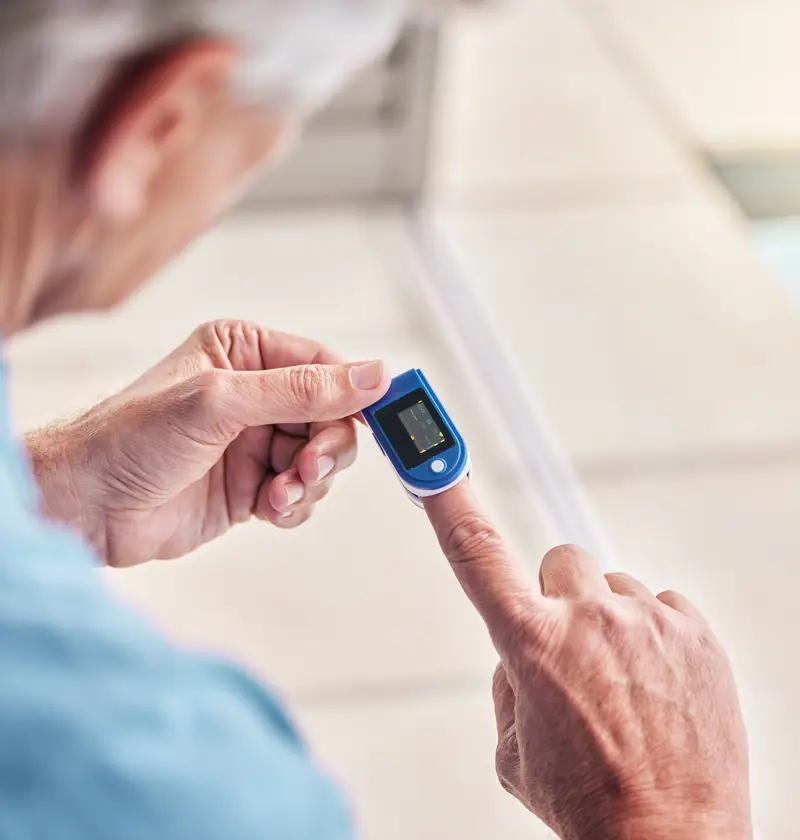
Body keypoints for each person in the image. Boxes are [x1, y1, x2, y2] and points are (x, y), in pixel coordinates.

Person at [0, 1, 752, 839]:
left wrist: (52, 497)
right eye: (268, 141)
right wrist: (671, 810)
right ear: (160, 128)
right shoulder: (177, 789)